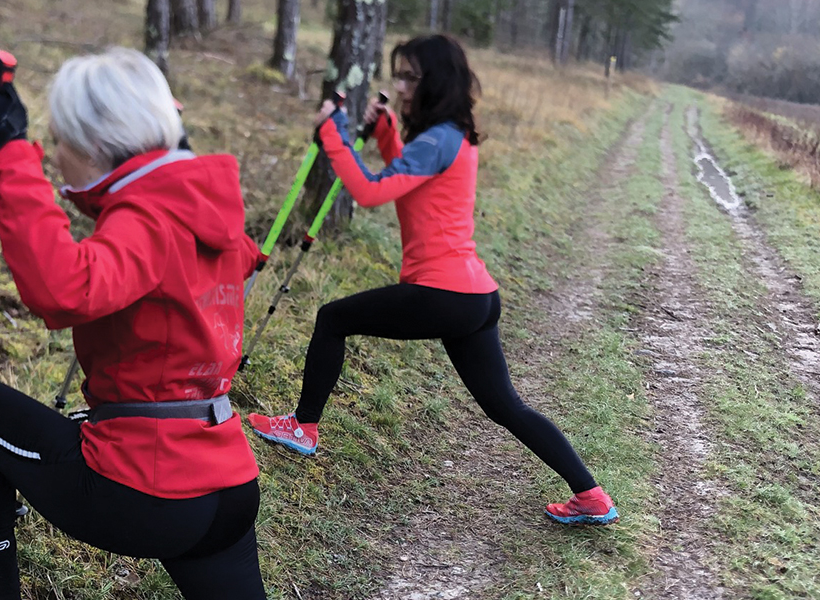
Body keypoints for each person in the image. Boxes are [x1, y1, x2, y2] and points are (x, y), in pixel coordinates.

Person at [0, 48, 268, 599]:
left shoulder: (150, 218)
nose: (53, 156)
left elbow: (63, 290)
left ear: (98, 147)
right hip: (228, 485)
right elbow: (231, 257)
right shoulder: (199, 208)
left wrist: (8, 160)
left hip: (146, 489)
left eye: (58, 142)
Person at [247, 34, 618, 526]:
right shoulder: (452, 135)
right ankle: (591, 495)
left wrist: (333, 135)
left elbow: (371, 190)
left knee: (332, 318)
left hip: (443, 292)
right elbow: (411, 181)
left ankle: (302, 427)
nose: (399, 87)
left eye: (409, 77)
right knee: (506, 406)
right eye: (398, 75)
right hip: (477, 297)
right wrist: (384, 137)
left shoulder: (438, 138)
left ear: (435, 81)